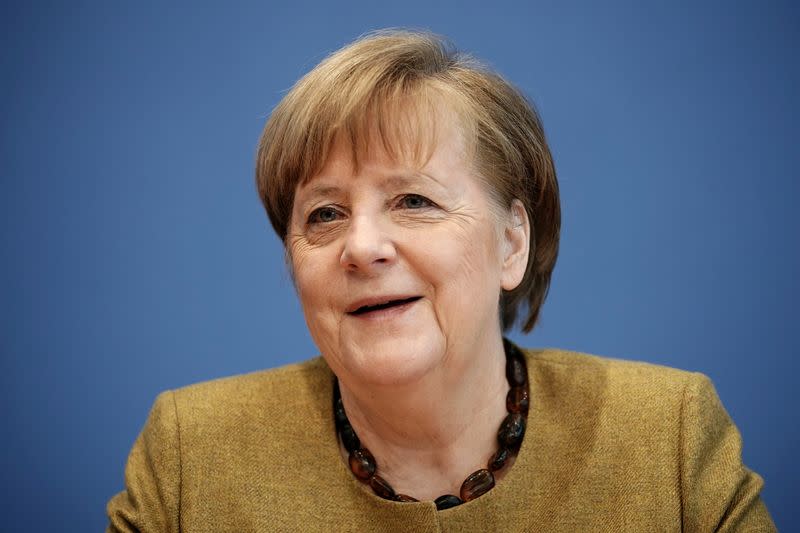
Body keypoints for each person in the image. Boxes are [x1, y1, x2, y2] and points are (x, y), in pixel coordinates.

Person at [107, 30, 774, 532]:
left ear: (513, 242)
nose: (362, 246)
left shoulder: (667, 437)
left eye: (414, 201)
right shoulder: (192, 456)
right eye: (325, 213)